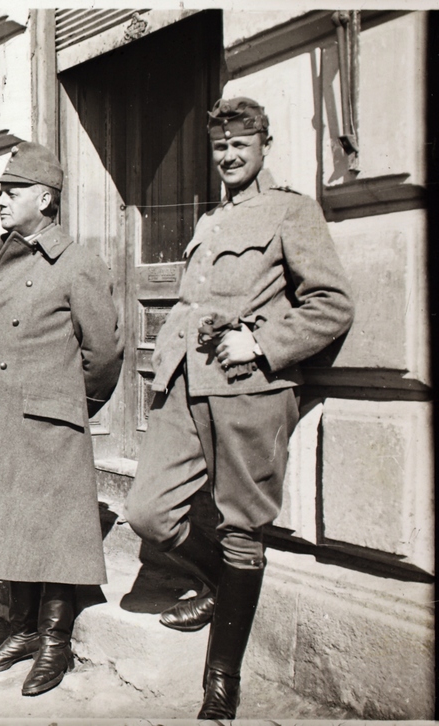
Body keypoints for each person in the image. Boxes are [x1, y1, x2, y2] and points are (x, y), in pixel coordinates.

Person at [126, 97, 353, 719]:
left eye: (240, 146)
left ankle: (221, 681)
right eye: (220, 147)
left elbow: (332, 305)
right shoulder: (213, 219)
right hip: (185, 388)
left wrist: (262, 341)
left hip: (249, 390)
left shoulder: (291, 212)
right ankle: (221, 585)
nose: (228, 156)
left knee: (242, 529)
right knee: (148, 511)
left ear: (263, 146)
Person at [0, 141, 123, 697]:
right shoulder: (2, 255)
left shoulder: (77, 263)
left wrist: (69, 402)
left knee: (54, 533)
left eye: (11, 190)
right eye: (1, 190)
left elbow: (105, 354)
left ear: (43, 198)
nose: (0, 199)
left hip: (49, 418)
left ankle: (55, 641)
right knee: (8, 521)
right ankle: (20, 629)